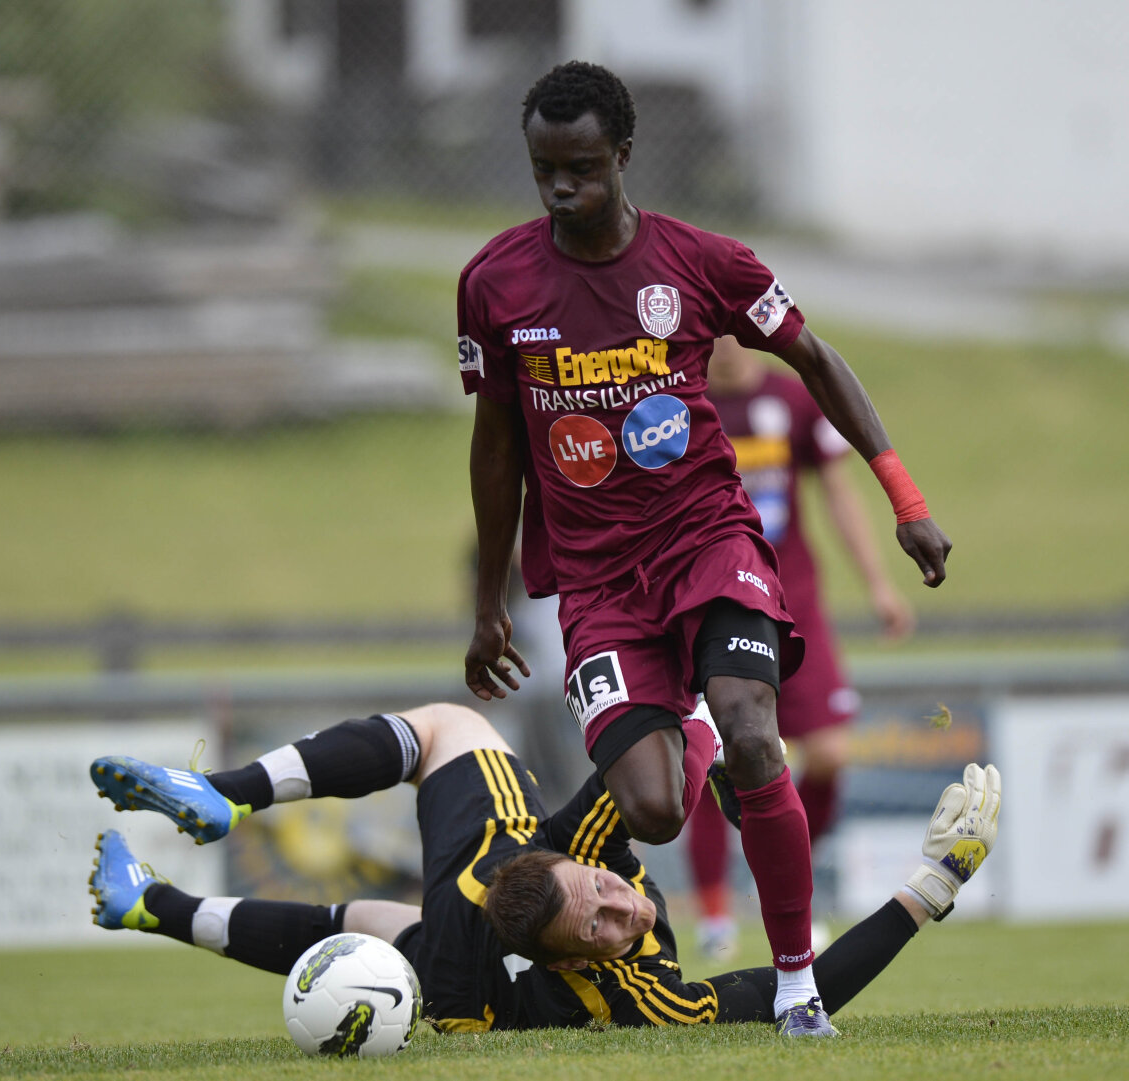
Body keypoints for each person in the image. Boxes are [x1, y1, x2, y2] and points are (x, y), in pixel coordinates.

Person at [457, 59, 951, 1025]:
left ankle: (800, 984)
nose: (563, 188)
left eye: (584, 168)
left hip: (705, 537)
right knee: (649, 808)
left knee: (757, 729)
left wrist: (904, 494)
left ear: (624, 156)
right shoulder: (494, 283)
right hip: (596, 583)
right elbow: (496, 447)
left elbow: (816, 357)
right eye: (544, 170)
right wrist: (489, 604)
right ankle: (697, 738)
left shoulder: (702, 262)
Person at [87, 702, 1000, 1037]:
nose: (623, 915)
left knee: (368, 916)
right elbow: (793, 992)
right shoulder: (640, 999)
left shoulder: (581, 851)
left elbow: (654, 746)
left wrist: (708, 741)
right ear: (567, 962)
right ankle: (193, 836)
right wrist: (928, 888)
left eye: (603, 893)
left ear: (579, 855)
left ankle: (181, 855)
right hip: (465, 925)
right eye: (601, 925)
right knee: (385, 905)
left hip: (487, 876)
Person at [685, 335, 915, 958]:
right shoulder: (681, 402)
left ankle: (788, 879)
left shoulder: (792, 400)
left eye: (735, 332)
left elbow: (839, 492)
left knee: (832, 753)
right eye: (711, 334)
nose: (724, 347)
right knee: (708, 756)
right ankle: (714, 918)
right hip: (714, 599)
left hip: (794, 601)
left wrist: (878, 583)